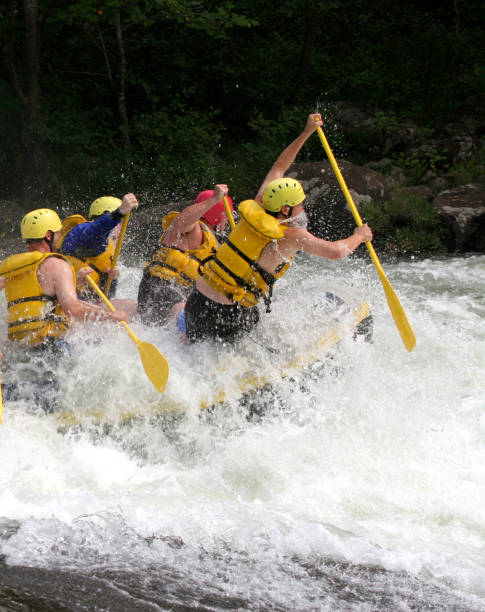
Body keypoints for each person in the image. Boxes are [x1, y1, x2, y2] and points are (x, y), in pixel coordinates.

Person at [183, 114, 373, 343]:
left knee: (197, 352)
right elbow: (337, 252)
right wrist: (359, 236)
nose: (303, 209)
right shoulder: (292, 236)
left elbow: (279, 167)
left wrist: (306, 132)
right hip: (226, 316)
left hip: (195, 303)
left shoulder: (258, 204)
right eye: (299, 204)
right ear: (285, 209)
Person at [137, 184, 233, 325]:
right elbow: (181, 222)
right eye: (226, 214)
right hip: (159, 287)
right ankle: (189, 338)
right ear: (217, 213)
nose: (227, 218)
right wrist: (214, 199)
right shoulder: (191, 228)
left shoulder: (213, 243)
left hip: (180, 291)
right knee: (188, 314)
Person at [58, 193, 139, 319]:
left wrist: (111, 280)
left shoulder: (108, 246)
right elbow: (96, 230)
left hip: (87, 304)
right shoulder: (80, 232)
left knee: (130, 306)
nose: (122, 226)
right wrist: (119, 213)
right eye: (120, 222)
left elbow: (107, 296)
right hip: (70, 306)